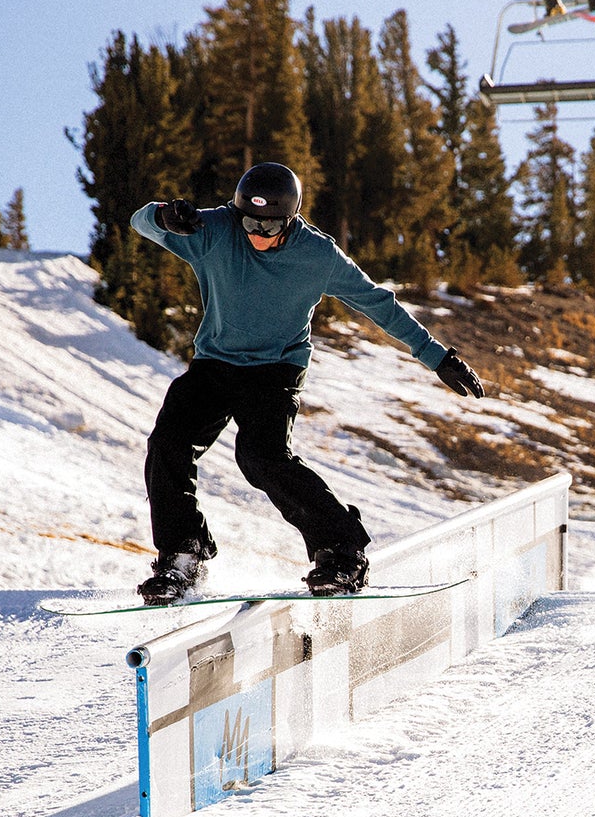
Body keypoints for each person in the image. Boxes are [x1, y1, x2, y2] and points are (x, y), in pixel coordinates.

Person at [131, 163, 485, 602]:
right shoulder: (215, 229)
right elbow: (141, 222)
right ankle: (182, 556)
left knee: (261, 457)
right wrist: (164, 215)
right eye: (250, 222)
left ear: (292, 219)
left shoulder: (317, 254)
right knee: (168, 441)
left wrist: (438, 356)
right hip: (215, 364)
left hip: (276, 370)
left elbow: (379, 304)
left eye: (270, 225)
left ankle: (342, 551)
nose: (257, 233)